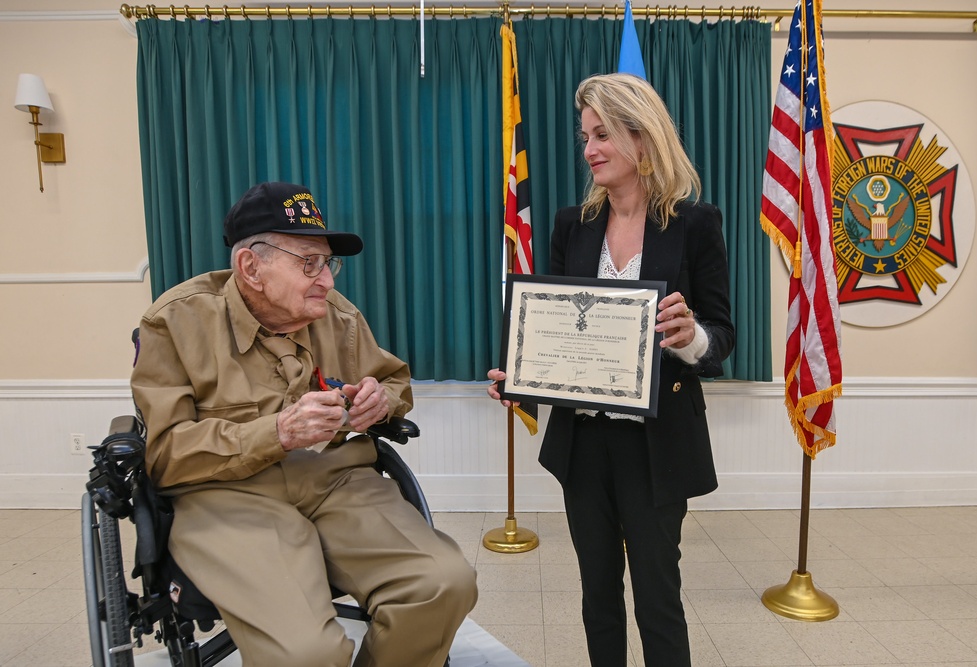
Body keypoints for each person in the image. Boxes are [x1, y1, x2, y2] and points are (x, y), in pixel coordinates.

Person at [131, 181, 477, 667]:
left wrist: (381, 402)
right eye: (308, 263)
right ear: (251, 267)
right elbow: (165, 457)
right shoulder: (175, 323)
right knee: (306, 653)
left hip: (336, 482)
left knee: (445, 583)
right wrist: (277, 432)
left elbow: (394, 383)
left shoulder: (338, 317)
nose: (328, 281)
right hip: (228, 497)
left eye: (328, 263)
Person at [488, 73, 734, 666]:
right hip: (583, 442)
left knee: (657, 598)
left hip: (656, 445)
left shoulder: (695, 225)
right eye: (585, 136)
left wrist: (689, 335)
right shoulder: (571, 225)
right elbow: (550, 334)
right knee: (596, 594)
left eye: (602, 135)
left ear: (643, 140)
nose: (589, 149)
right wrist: (519, 381)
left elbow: (722, 338)